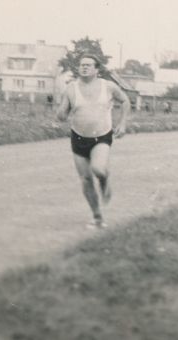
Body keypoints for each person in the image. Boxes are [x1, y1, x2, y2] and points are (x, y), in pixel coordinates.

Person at [56, 54, 130, 228]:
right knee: (86, 179)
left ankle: (104, 180)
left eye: (88, 65)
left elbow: (125, 100)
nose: (84, 68)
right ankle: (97, 217)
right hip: (78, 137)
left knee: (98, 168)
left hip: (101, 136)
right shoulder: (71, 88)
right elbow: (62, 115)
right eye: (81, 65)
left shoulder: (109, 86)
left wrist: (123, 123)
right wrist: (61, 112)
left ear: (97, 69)